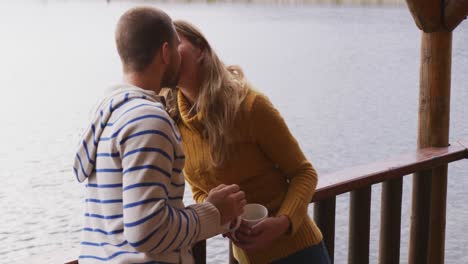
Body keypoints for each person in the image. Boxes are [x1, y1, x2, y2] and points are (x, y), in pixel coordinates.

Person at [73, 7, 246, 264]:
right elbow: (147, 231)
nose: (179, 55)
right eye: (176, 48)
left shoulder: (108, 111)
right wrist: (214, 213)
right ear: (165, 53)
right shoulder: (148, 121)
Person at [163, 20, 331, 264]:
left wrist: (282, 223)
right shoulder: (172, 121)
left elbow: (304, 173)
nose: (169, 53)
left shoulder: (250, 107)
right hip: (247, 257)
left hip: (298, 251)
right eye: (164, 48)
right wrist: (219, 216)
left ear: (200, 49)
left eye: (177, 43)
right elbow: (200, 189)